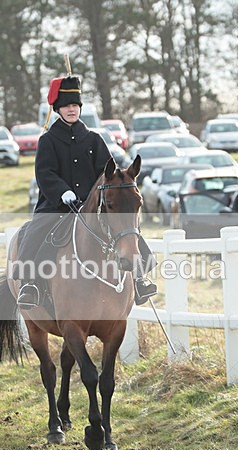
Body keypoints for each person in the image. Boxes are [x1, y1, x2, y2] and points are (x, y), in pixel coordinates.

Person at [14, 75, 157, 309]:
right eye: (66, 106)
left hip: (93, 206)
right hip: (58, 205)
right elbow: (44, 173)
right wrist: (63, 192)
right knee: (35, 232)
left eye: (75, 105)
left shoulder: (94, 139)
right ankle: (29, 283)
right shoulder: (48, 141)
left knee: (126, 228)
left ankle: (140, 278)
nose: (71, 110)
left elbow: (107, 173)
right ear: (58, 109)